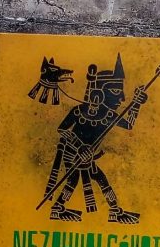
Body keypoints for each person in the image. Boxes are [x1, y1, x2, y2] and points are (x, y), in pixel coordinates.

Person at [44, 55, 146, 224]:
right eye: (116, 92)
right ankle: (58, 208)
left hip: (88, 156)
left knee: (97, 178)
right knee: (75, 179)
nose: (121, 98)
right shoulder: (79, 111)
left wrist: (136, 104)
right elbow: (62, 129)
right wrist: (79, 146)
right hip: (72, 152)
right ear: (98, 93)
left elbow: (129, 125)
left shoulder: (108, 115)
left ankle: (112, 211)